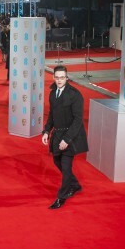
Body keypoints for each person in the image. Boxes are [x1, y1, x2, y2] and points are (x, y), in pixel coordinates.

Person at [42, 66, 88, 210]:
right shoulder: (52, 93)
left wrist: (67, 139)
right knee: (57, 161)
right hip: (58, 134)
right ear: (54, 77)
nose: (59, 80)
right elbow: (52, 115)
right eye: (57, 77)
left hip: (71, 135)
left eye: (62, 77)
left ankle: (61, 197)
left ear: (67, 78)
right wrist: (46, 131)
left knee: (66, 166)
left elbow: (78, 120)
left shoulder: (75, 95)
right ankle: (74, 184)